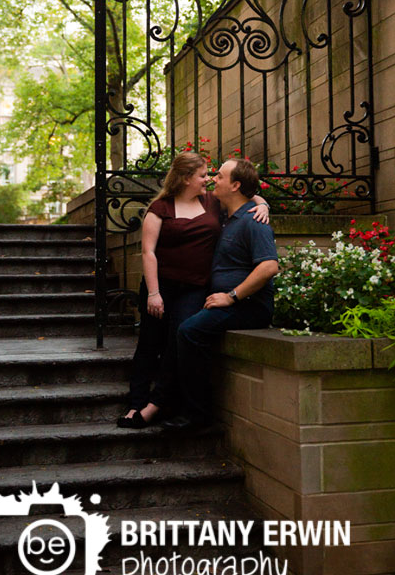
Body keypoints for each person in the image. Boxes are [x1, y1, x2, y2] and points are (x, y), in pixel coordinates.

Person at [118, 152, 270, 429]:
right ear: (186, 178)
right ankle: (136, 404)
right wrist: (154, 293)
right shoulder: (160, 208)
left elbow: (245, 198)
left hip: (195, 288)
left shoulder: (212, 203)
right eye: (203, 175)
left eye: (213, 175)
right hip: (160, 286)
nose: (209, 179)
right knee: (150, 344)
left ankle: (161, 404)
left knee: (179, 339)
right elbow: (147, 252)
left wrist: (264, 204)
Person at [161, 157, 280, 431]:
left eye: (221, 176)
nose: (215, 178)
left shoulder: (254, 221)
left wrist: (232, 296)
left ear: (236, 185)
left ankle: (198, 415)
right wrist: (263, 200)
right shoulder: (228, 216)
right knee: (178, 325)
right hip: (227, 302)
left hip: (249, 306)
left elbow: (269, 266)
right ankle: (171, 402)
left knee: (189, 331)